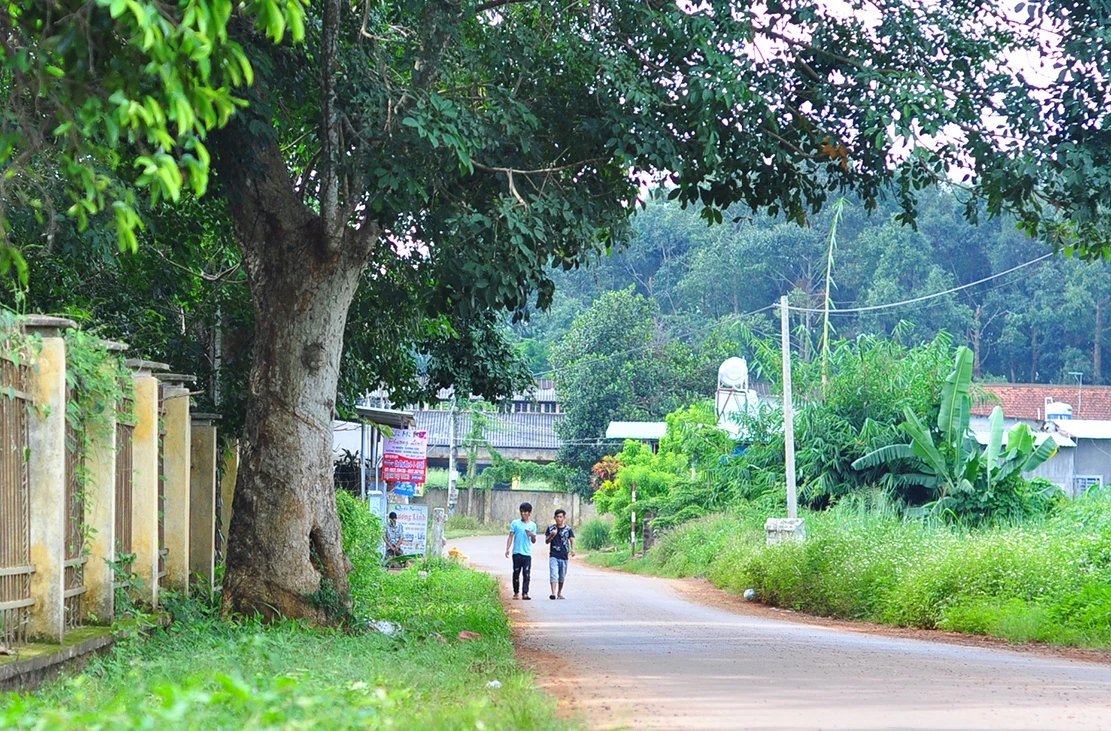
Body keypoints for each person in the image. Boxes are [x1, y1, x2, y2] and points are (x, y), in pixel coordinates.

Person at [505, 502, 537, 600]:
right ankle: (516, 592)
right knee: (516, 573)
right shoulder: (515, 523)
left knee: (526, 574)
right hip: (517, 552)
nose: (523, 514)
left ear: (529, 513)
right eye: (522, 512)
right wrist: (507, 549)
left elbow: (534, 541)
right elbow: (511, 536)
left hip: (527, 553)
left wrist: (532, 534)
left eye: (525, 512)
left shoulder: (533, 525)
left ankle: (525, 593)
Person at [545, 509, 576, 600]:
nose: (559, 519)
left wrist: (573, 549)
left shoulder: (568, 529)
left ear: (564, 518)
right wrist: (552, 535)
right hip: (553, 555)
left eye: (560, 517)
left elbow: (572, 539)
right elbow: (547, 541)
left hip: (564, 555)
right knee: (553, 574)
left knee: (562, 575)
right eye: (557, 517)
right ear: (554, 518)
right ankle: (553, 593)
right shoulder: (551, 528)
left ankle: (559, 592)